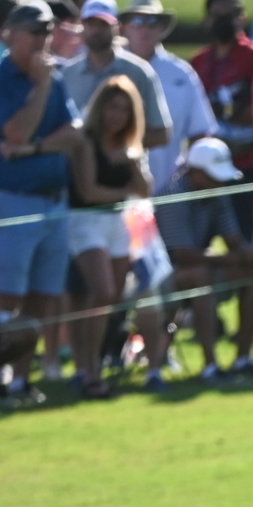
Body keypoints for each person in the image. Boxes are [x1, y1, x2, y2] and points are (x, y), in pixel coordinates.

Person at [0, 0, 79, 406]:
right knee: (7, 296)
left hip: (54, 201)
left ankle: (20, 382)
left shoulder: (55, 75)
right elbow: (14, 131)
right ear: (9, 33)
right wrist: (42, 87)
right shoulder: (7, 76)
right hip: (13, 199)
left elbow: (74, 133)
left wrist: (33, 149)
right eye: (35, 31)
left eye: (47, 31)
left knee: (42, 296)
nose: (43, 40)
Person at [151, 135, 253, 379]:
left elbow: (233, 240)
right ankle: (211, 367)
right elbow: (182, 255)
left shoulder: (214, 190)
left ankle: (243, 359)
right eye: (213, 176)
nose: (219, 183)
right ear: (195, 172)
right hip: (162, 277)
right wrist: (236, 259)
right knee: (200, 276)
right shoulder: (172, 195)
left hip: (200, 267)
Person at [66, 74, 149, 397]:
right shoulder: (85, 141)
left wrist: (134, 163)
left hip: (118, 223)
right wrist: (124, 189)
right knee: (101, 291)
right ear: (101, 107)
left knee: (109, 299)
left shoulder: (129, 147)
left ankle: (92, 367)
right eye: (112, 107)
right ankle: (86, 369)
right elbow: (88, 191)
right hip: (84, 222)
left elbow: (143, 190)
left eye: (124, 110)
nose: (117, 115)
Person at [191, 0, 253, 245]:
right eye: (218, 15)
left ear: (242, 18)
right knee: (197, 242)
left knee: (246, 242)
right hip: (206, 172)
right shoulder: (199, 62)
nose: (224, 20)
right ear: (207, 20)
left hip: (246, 168)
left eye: (231, 14)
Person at [120, 0, 216, 189]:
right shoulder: (111, 68)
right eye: (138, 21)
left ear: (162, 27)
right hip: (119, 192)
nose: (145, 28)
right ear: (124, 27)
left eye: (152, 21)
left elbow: (200, 133)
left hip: (170, 189)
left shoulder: (181, 73)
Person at [60, 0, 171, 149]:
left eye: (103, 24)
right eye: (91, 24)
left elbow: (161, 134)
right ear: (82, 27)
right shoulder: (66, 74)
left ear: (117, 28)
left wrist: (116, 146)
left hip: (122, 168)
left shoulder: (139, 72)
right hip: (75, 169)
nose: (96, 30)